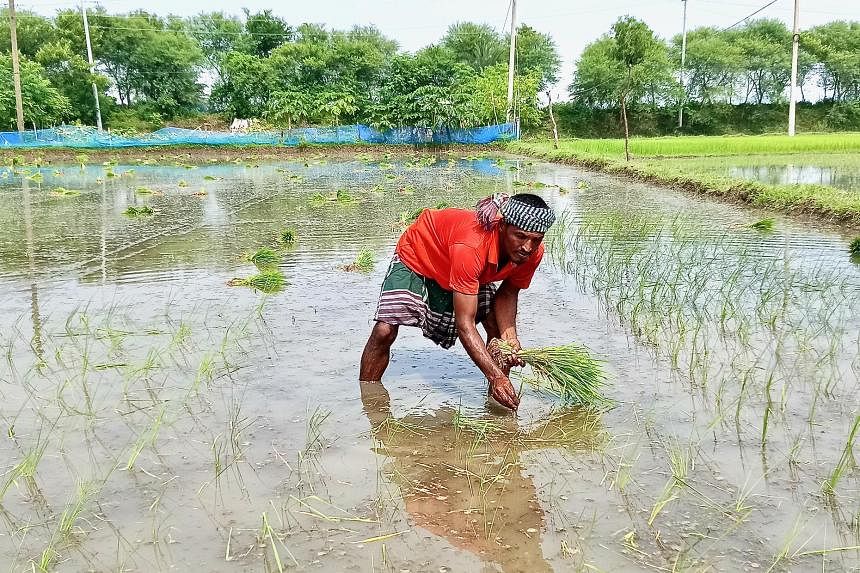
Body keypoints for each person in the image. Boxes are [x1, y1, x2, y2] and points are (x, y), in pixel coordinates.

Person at [359, 192, 556, 410]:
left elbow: (508, 294)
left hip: (464, 269)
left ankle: (498, 404)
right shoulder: (472, 246)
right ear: (502, 227)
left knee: (499, 337)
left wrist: (510, 338)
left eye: (536, 240)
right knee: (384, 330)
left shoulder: (532, 254)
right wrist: (494, 376)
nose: (527, 247)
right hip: (420, 257)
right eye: (520, 236)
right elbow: (465, 325)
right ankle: (369, 401)